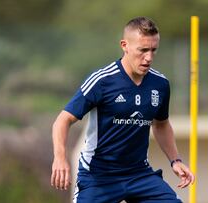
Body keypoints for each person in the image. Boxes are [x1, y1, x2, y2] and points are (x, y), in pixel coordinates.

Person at [51, 16, 195, 203]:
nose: (149, 57)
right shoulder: (102, 80)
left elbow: (161, 125)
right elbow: (63, 120)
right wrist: (60, 158)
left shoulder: (160, 84)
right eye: (143, 50)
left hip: (139, 174)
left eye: (153, 50)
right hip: (99, 176)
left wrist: (175, 160)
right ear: (124, 45)